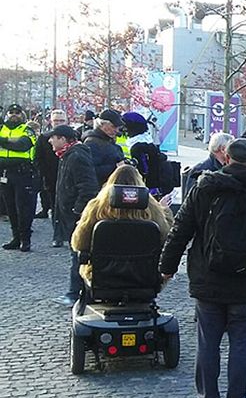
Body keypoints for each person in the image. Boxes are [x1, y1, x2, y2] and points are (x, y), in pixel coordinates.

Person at [160, 138, 246, 398]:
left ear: (226, 158)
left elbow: (181, 229)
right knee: (242, 343)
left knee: (208, 343)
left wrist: (167, 266)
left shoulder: (205, 187)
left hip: (209, 277)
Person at [71, 165, 173, 287]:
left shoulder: (95, 207)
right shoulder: (152, 209)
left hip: (101, 276)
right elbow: (167, 238)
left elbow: (78, 243)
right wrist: (165, 210)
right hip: (144, 277)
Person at [49, 125, 98, 306]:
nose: (50, 141)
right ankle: (76, 292)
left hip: (76, 218)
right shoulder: (67, 155)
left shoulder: (76, 156)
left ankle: (75, 294)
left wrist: (76, 212)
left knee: (78, 254)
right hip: (69, 216)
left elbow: (88, 187)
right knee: (76, 254)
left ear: (63, 139)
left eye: (53, 137)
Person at [0, 104, 39, 252]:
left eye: (17, 112)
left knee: (24, 208)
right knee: (10, 208)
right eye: (11, 112)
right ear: (7, 114)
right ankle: (16, 237)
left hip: (23, 174)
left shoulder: (27, 130)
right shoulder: (2, 129)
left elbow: (22, 145)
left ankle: (25, 239)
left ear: (22, 114)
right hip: (5, 173)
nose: (14, 115)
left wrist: (3, 142)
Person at [34, 109, 67, 223]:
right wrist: (44, 174)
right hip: (50, 176)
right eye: (56, 120)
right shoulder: (44, 137)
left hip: (68, 177)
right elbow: (37, 158)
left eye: (61, 120)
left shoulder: (74, 136)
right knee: (54, 205)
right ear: (51, 122)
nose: (58, 123)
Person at [182, 132, 232, 202]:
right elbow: (190, 201)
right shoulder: (199, 170)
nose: (233, 152)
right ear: (222, 149)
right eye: (231, 148)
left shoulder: (227, 168)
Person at [85, 109, 126, 185]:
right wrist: (115, 167)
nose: (116, 130)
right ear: (102, 124)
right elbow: (91, 171)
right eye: (113, 126)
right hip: (101, 189)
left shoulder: (111, 143)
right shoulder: (92, 143)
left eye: (117, 127)